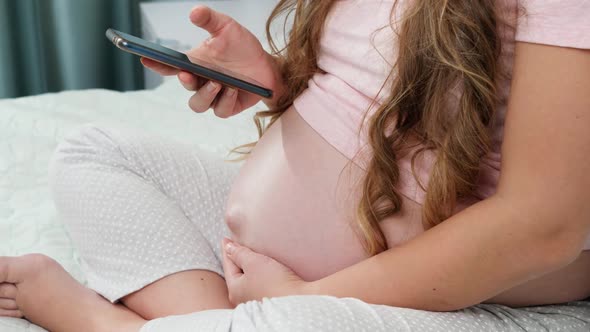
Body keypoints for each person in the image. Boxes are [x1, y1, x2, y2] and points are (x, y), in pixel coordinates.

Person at [1, 1, 590, 331]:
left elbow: (543, 226)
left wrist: (306, 298)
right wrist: (277, 81)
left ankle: (97, 322)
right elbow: (385, 100)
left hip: (447, 289)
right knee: (96, 153)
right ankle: (221, 321)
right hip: (296, 265)